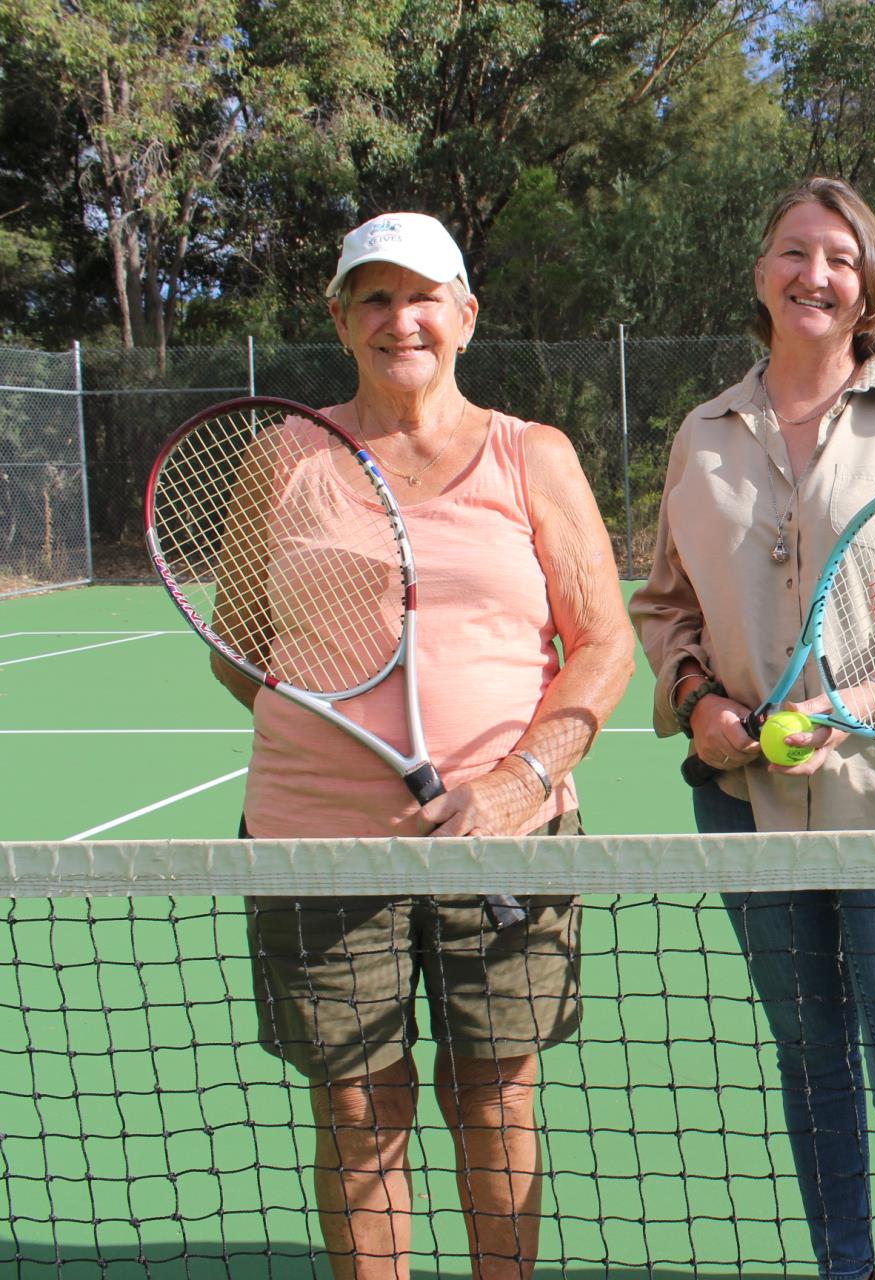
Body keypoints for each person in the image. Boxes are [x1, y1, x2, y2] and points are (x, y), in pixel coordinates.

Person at [223, 211, 635, 1279]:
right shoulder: (282, 457)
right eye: (373, 296)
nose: (398, 317)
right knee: (359, 1102)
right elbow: (238, 651)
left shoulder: (532, 455)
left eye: (422, 296)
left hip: (509, 834)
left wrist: (517, 781)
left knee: (496, 1095)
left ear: (464, 316)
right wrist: (338, 736)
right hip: (316, 841)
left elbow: (603, 645)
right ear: (339, 318)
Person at [630, 176, 875, 1280]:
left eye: (838, 256)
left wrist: (860, 705)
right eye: (794, 251)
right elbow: (666, 603)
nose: (814, 273)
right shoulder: (702, 432)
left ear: (867, 285)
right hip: (746, 808)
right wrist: (701, 706)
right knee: (813, 1064)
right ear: (761, 275)